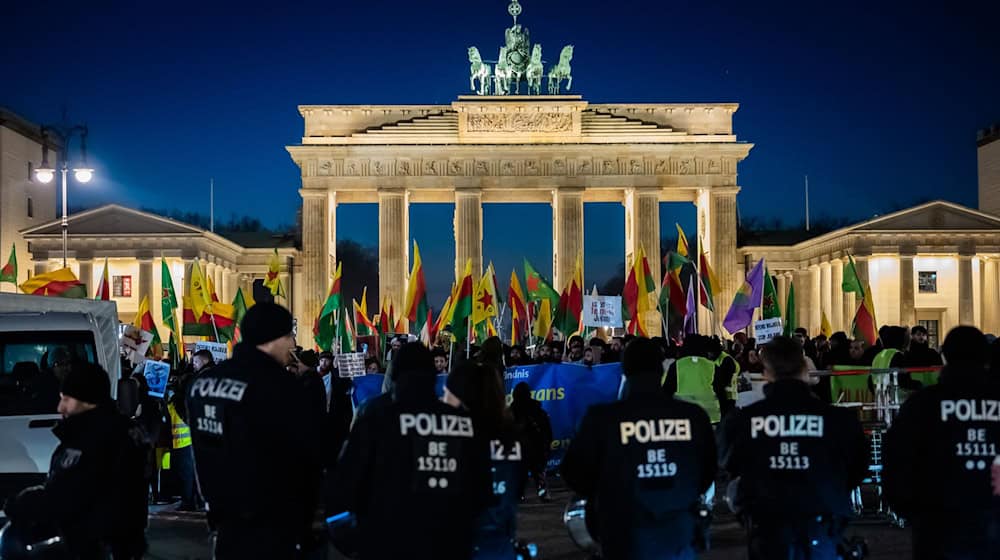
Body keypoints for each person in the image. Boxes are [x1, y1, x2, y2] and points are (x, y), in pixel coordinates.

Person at [327, 343, 493, 559]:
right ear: (433, 374)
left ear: (394, 374)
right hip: (449, 544)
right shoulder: (463, 423)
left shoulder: (376, 419)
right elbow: (483, 490)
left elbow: (344, 485)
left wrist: (356, 542)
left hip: (387, 543)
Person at [187, 302, 323, 559]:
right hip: (270, 522)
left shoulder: (202, 384)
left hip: (221, 518)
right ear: (274, 338)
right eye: (290, 336)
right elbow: (303, 460)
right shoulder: (280, 387)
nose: (293, 344)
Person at [562, 338, 717, 559]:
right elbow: (708, 470)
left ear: (624, 369)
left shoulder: (602, 419)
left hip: (623, 533)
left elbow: (574, 472)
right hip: (678, 534)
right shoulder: (693, 417)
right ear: (661, 367)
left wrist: (608, 494)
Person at [718, 336, 869, 560]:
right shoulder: (840, 420)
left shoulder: (742, 421)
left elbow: (728, 463)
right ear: (805, 368)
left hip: (767, 526)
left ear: (767, 373)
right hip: (822, 523)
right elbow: (857, 469)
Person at [4, 361, 150, 559]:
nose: (60, 407)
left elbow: (65, 496)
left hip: (94, 547)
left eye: (66, 399)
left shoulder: (94, 438)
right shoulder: (121, 429)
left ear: (88, 400)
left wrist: (20, 504)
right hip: (118, 544)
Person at [883, 326, 1000, 559]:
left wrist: (915, 513)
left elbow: (896, 461)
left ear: (944, 355)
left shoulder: (921, 405)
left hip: (937, 527)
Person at [445, 361, 527, 559]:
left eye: (446, 394)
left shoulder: (455, 443)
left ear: (462, 399)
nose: (442, 400)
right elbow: (518, 490)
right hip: (502, 548)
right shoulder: (513, 439)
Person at [509, 382, 552, 502]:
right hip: (534, 449)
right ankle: (542, 493)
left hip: (521, 451)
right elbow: (547, 431)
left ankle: (519, 494)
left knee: (520, 475)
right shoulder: (538, 411)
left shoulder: (511, 412)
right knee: (538, 474)